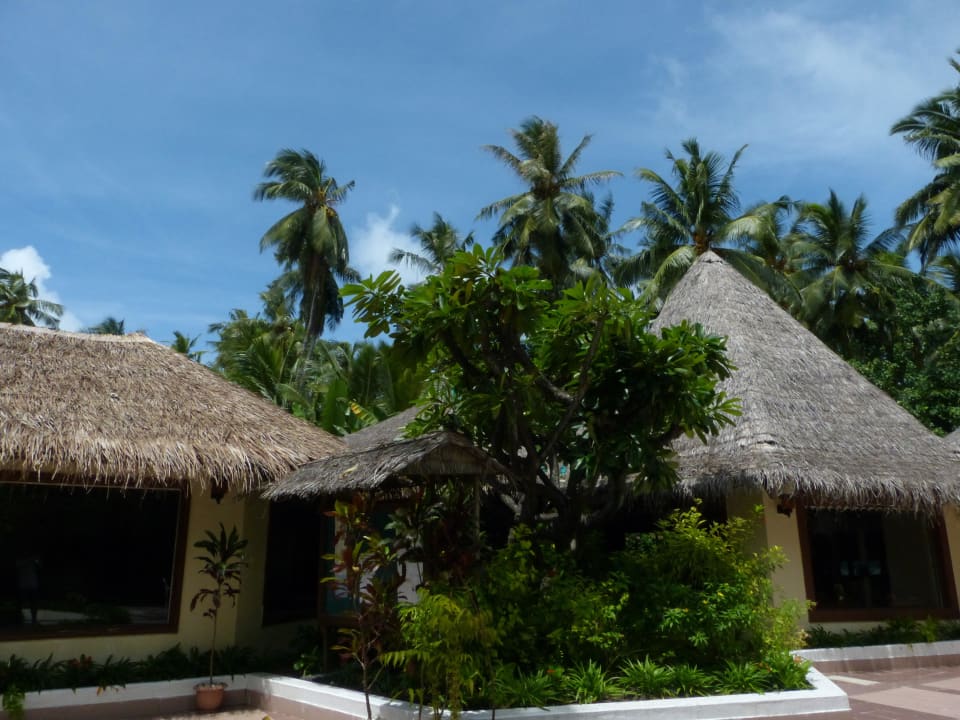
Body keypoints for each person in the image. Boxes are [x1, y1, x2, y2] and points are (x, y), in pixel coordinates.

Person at [15, 555, 40, 624]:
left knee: (34, 603)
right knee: (21, 603)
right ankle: (19, 619)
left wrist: (34, 560)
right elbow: (17, 565)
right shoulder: (21, 560)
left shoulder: (34, 560)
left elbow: (39, 565)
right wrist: (29, 560)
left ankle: (34, 619)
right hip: (23, 585)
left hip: (33, 584)